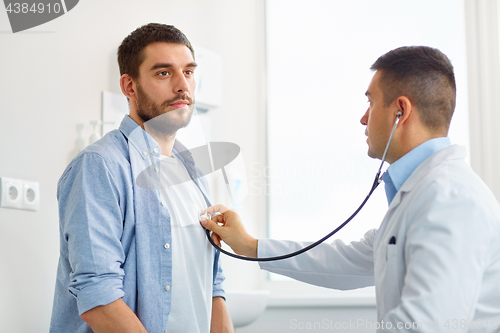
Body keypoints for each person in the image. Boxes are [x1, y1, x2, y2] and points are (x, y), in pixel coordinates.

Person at [200, 46, 500, 331]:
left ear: (400, 111)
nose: (363, 118)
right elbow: (347, 261)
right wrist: (250, 246)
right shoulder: (423, 192)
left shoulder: (449, 199)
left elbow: (425, 326)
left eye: (370, 102)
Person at [50, 23, 233, 333]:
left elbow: (213, 283)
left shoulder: (193, 169)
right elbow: (99, 297)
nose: (182, 87)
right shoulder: (100, 166)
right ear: (130, 87)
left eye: (188, 72)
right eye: (164, 73)